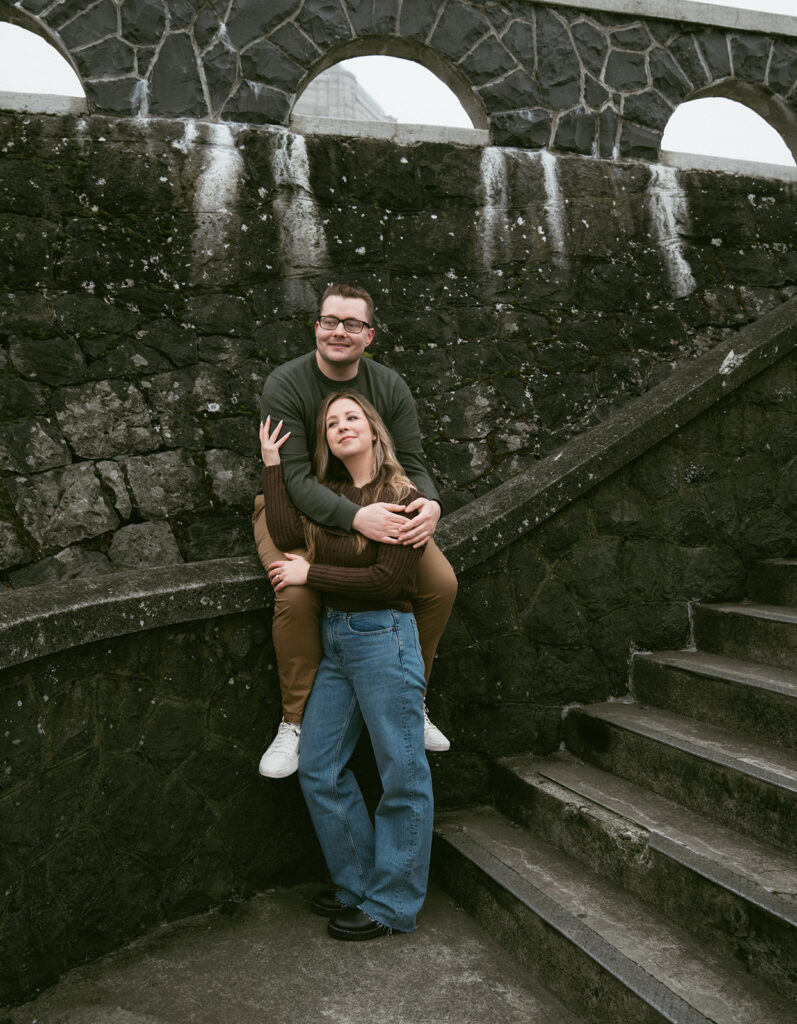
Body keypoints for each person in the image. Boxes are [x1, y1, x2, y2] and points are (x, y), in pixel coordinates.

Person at [253, 283, 457, 777]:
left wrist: (429, 504)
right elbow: (296, 480)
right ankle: (295, 722)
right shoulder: (286, 384)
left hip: (374, 503)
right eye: (329, 321)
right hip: (293, 508)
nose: (338, 332)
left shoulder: (388, 386)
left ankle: (414, 699)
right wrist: (353, 518)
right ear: (316, 326)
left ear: (370, 335)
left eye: (351, 324)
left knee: (440, 583)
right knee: (296, 593)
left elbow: (412, 462)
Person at [260, 391, 435, 940]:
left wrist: (310, 576)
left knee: (401, 774)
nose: (340, 426)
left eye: (351, 417)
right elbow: (287, 534)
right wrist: (274, 465)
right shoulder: (332, 496)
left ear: (375, 429)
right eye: (331, 422)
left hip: (385, 636)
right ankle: (358, 881)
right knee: (318, 766)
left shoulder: (404, 496)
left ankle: (392, 905)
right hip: (336, 638)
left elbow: (389, 580)